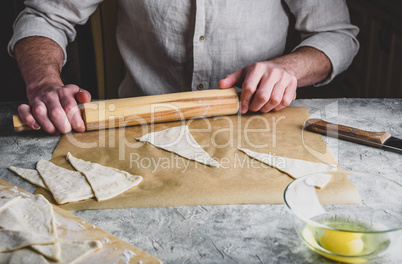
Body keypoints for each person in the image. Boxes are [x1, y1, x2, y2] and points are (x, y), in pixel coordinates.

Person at [9, 0, 359, 135]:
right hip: (137, 131)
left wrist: (289, 69)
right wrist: (44, 83)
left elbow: (336, 35)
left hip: (257, 127)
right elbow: (45, 15)